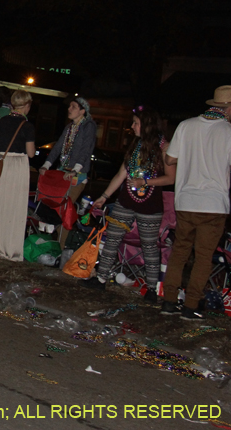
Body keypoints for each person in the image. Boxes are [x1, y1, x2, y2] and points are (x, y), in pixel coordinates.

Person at [80, 106, 175, 301]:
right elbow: (121, 174)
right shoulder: (135, 147)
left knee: (149, 246)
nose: (132, 126)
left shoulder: (165, 148)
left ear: (147, 126)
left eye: (136, 123)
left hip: (150, 206)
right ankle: (100, 279)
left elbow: (170, 178)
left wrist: (145, 182)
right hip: (126, 202)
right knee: (112, 239)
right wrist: (104, 196)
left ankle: (151, 290)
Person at [160, 87, 231, 320]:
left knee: (179, 252)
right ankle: (190, 306)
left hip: (186, 201)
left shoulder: (186, 125)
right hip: (213, 204)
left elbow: (170, 158)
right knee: (203, 257)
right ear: (228, 108)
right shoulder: (228, 131)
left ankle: (169, 301)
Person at [0, 89, 35, 261]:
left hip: (1, 163)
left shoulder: (2, 121)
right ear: (26, 106)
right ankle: (9, 247)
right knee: (13, 207)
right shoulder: (27, 126)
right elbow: (31, 153)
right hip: (17, 166)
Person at [39, 96, 97, 247]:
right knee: (55, 207)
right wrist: (46, 164)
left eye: (73, 107)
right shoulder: (70, 127)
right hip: (62, 174)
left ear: (82, 111)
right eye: (69, 106)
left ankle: (61, 244)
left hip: (77, 176)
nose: (69, 109)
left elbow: (86, 149)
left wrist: (75, 169)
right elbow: (58, 147)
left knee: (65, 208)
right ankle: (51, 241)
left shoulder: (88, 126)